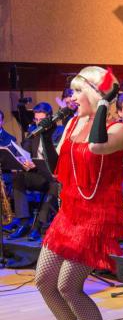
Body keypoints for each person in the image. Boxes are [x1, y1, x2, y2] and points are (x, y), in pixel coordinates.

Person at [34, 66, 123, 320]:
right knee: (44, 281)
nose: (72, 98)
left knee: (69, 287)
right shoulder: (75, 122)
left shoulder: (119, 129)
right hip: (70, 212)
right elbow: (57, 168)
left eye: (78, 92)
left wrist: (104, 106)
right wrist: (47, 138)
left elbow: (97, 146)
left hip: (96, 216)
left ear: (96, 94)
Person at [8, 102, 60, 241]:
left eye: (41, 120)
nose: (38, 123)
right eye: (36, 120)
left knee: (55, 186)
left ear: (50, 118)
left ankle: (37, 226)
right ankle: (24, 222)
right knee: (19, 177)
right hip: (38, 172)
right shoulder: (34, 131)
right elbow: (25, 150)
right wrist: (25, 160)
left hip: (54, 176)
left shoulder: (59, 132)